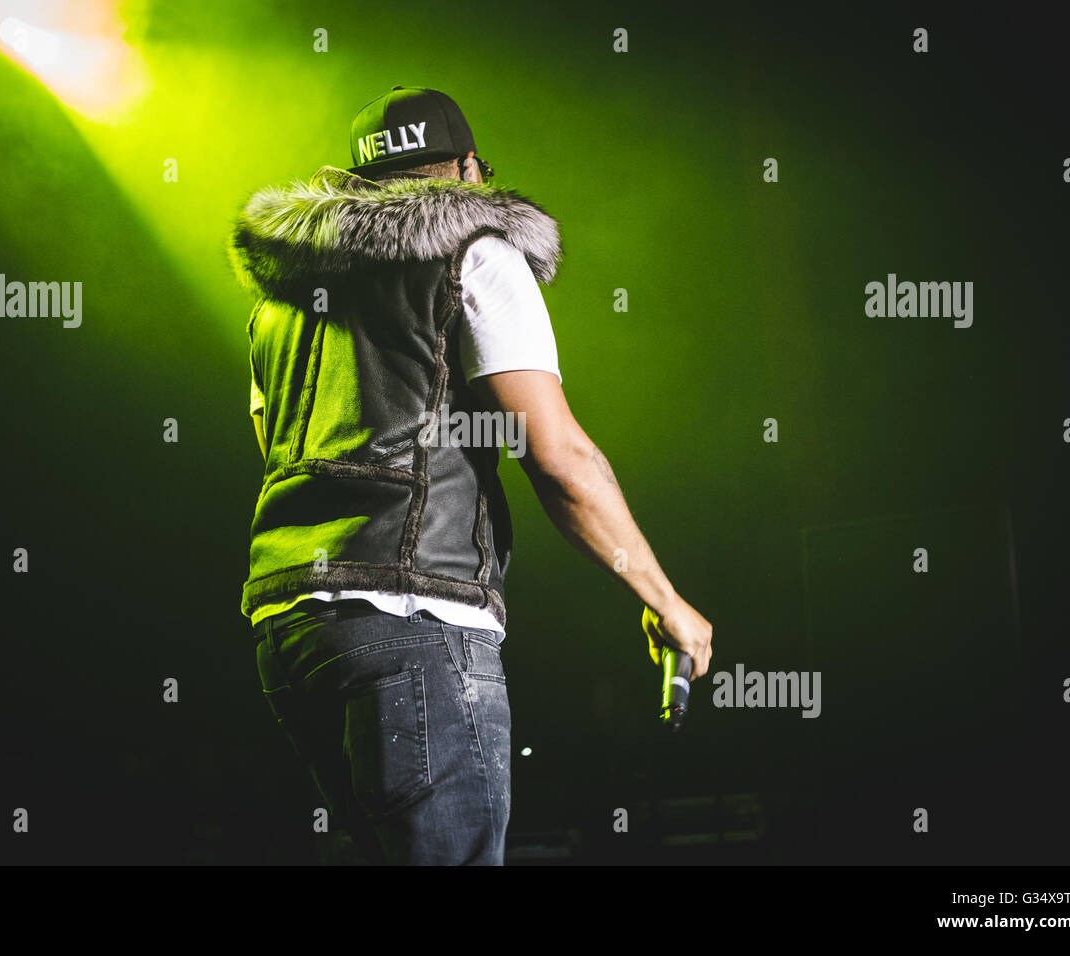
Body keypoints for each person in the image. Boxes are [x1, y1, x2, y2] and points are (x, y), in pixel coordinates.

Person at [230, 86, 713, 865]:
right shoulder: (475, 254)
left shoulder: (280, 297)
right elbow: (558, 456)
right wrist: (665, 601)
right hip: (417, 614)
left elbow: (270, 440)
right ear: (466, 169)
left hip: (291, 625)